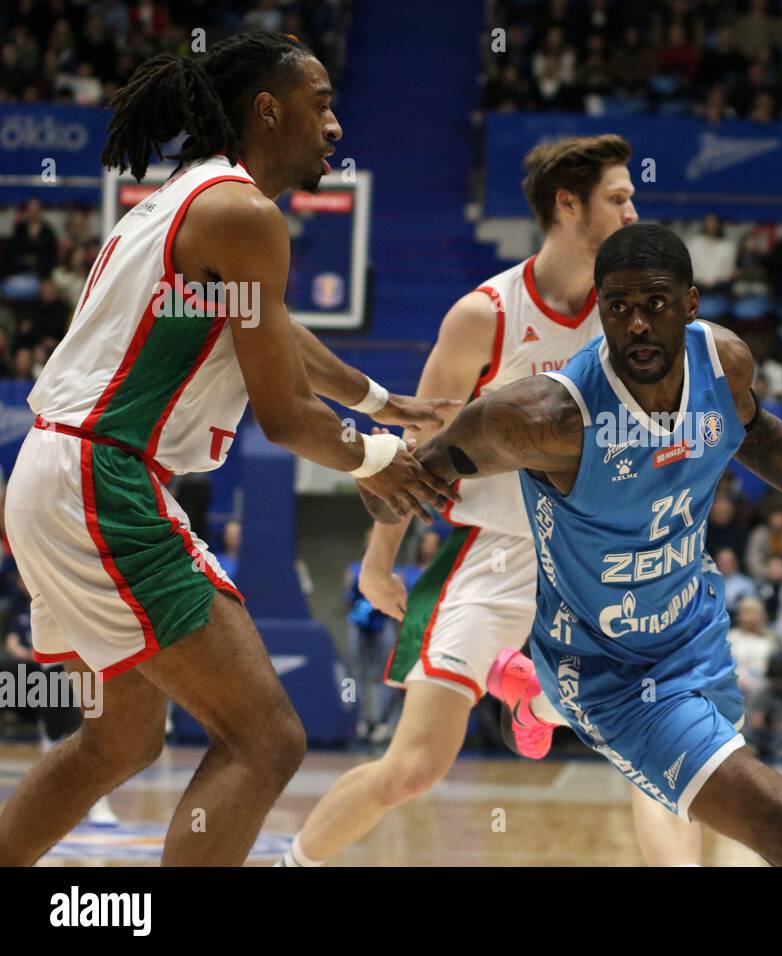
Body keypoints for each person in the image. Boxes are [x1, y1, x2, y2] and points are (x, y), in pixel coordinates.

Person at [0, 34, 452, 868]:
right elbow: (282, 419)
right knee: (267, 738)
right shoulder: (244, 214)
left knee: (120, 742)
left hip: (53, 475)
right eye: (321, 104)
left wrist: (385, 405)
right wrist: (380, 459)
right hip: (103, 479)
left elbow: (276, 331)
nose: (337, 126)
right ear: (267, 109)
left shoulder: (193, 197)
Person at [283, 135, 704, 868]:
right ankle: (292, 863)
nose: (635, 207)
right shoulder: (486, 315)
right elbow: (417, 444)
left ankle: (537, 698)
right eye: (619, 196)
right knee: (412, 769)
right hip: (495, 553)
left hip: (607, 563)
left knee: (661, 764)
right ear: (567, 206)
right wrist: (378, 562)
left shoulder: (640, 317)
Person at [380, 223, 782, 865]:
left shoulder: (724, 362)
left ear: (691, 304)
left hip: (695, 626)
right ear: (599, 308)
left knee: (697, 804)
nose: (635, 325)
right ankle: (545, 694)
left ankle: (530, 696)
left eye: (655, 305)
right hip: (608, 672)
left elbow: (757, 432)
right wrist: (367, 461)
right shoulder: (549, 419)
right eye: (618, 307)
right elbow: (406, 476)